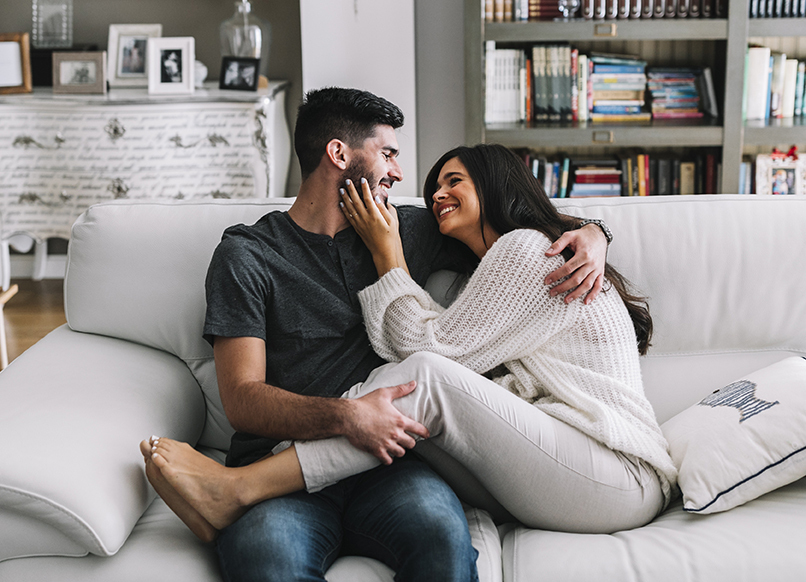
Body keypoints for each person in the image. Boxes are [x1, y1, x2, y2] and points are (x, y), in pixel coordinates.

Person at [141, 90, 610, 579]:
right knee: (266, 559)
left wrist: (596, 234)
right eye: (387, 154)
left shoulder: (409, 230)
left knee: (445, 549)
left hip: (390, 465)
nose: (400, 174)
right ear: (339, 154)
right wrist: (347, 417)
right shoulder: (248, 255)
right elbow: (241, 399)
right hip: (279, 469)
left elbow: (518, 220)